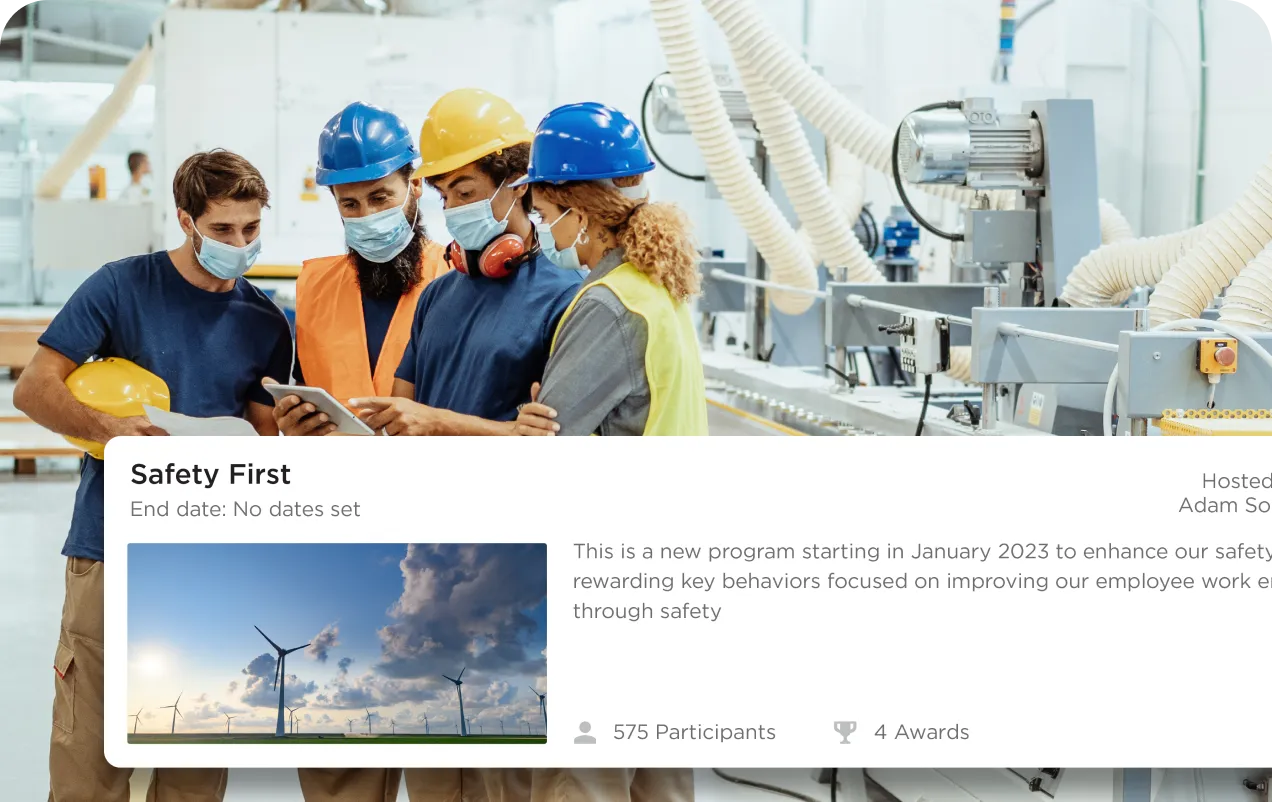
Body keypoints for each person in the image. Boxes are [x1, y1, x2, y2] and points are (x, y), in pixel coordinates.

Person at [14, 149, 291, 802]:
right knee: (90, 764)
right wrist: (110, 431)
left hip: (212, 560)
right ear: (186, 220)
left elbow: (262, 436)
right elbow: (32, 389)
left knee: (195, 763)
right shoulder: (121, 286)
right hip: (110, 549)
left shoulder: (268, 320)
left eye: (252, 229)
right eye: (223, 230)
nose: (240, 244)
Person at [349, 88, 582, 436]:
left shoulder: (566, 296)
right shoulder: (438, 294)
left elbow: (556, 437)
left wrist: (438, 424)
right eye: (444, 195)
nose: (453, 209)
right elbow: (402, 416)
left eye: (466, 192)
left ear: (518, 183)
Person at [511, 102, 708, 437]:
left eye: (543, 215)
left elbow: (548, 433)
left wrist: (532, 419)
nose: (542, 228)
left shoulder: (608, 304)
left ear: (580, 214)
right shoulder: (651, 285)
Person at [270, 102, 449, 446]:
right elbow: (309, 390)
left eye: (381, 198)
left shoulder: (455, 277)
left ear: (415, 185)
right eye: (349, 204)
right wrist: (294, 427)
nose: (367, 216)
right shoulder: (315, 286)